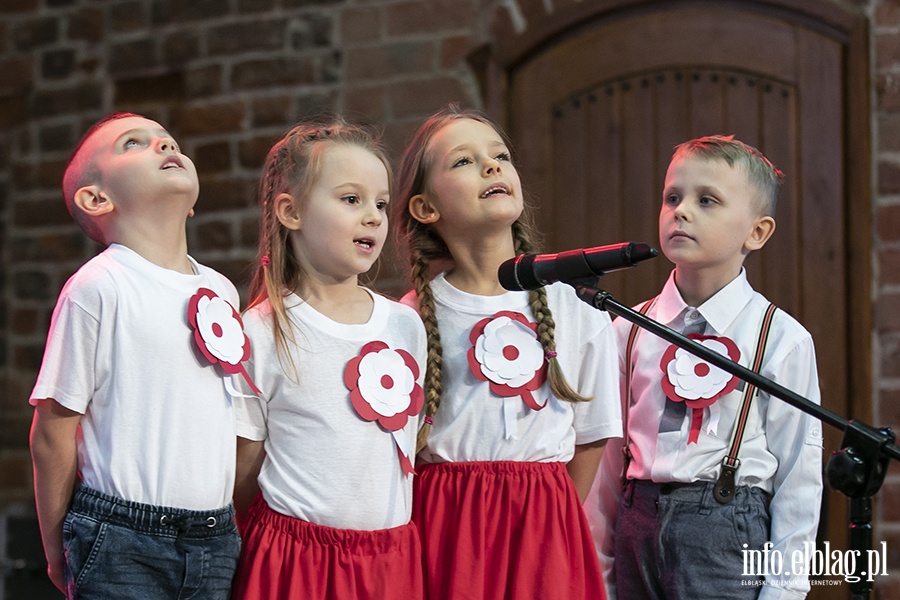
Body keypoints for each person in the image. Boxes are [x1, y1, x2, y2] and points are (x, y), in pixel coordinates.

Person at [393, 105, 621, 600]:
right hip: (447, 536)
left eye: (500, 155)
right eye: (464, 161)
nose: (492, 166)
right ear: (425, 208)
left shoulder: (574, 306)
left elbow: (592, 439)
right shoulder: (405, 320)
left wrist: (544, 511)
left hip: (545, 532)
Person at [586, 135, 823, 600]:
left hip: (727, 534)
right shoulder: (629, 328)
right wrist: (601, 573)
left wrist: (784, 590)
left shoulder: (779, 338)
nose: (682, 210)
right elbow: (607, 465)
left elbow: (799, 475)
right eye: (672, 197)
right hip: (638, 524)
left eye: (706, 200)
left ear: (756, 232)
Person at [29, 113, 243, 599]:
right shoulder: (99, 286)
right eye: (135, 143)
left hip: (213, 537)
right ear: (96, 197)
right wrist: (57, 546)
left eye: (168, 139)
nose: (163, 145)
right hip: (122, 535)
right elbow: (53, 429)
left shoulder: (221, 290)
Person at [231, 119, 427, 600]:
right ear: (290, 211)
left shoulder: (405, 323)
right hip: (296, 560)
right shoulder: (261, 330)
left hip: (389, 558)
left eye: (381, 203)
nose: (374, 217)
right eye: (351, 199)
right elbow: (243, 467)